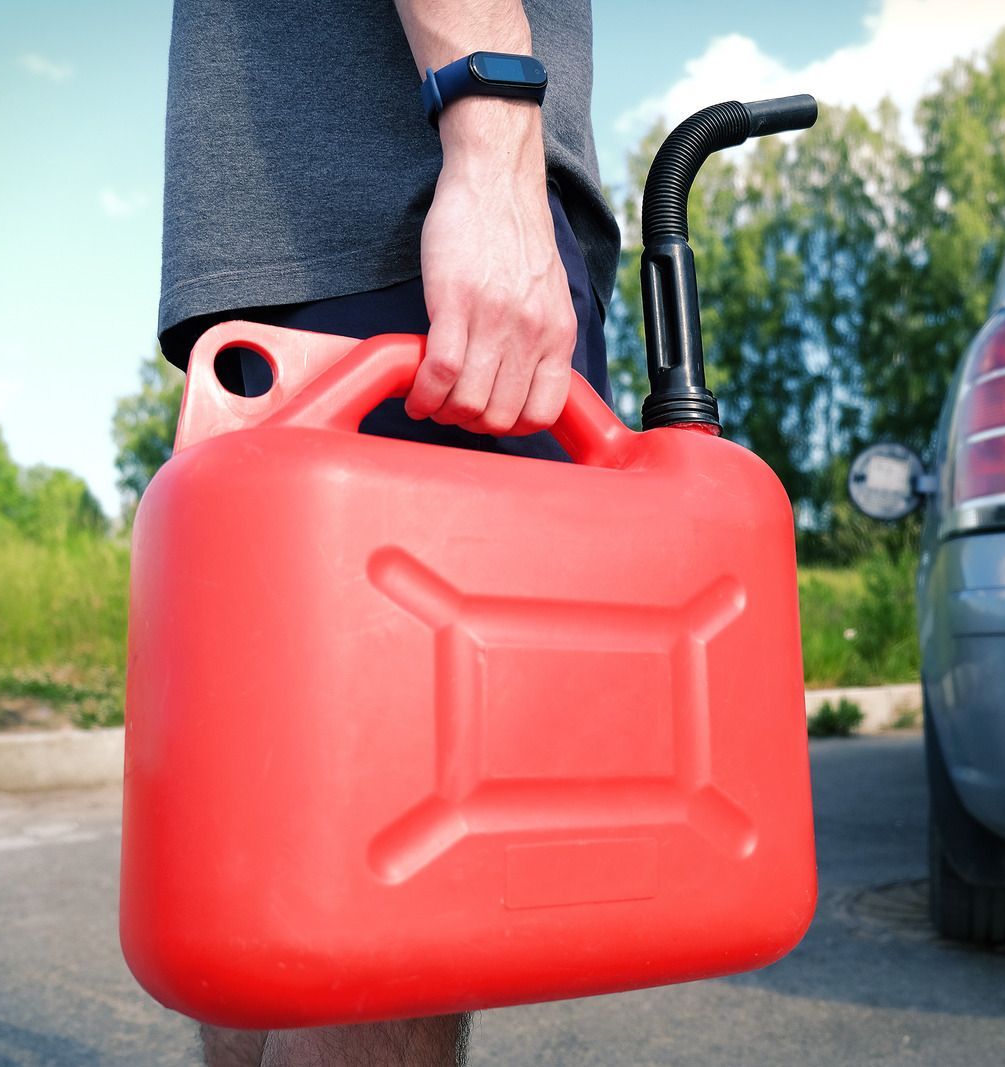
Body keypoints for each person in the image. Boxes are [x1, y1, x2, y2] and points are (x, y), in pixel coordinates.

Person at [154, 1, 619, 1063]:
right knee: (406, 851)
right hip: (407, 208)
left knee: (275, 851)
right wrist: (490, 129)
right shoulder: (457, 160)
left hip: (290, 240)